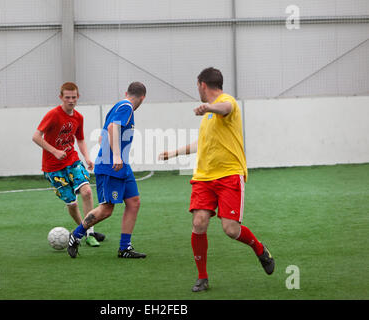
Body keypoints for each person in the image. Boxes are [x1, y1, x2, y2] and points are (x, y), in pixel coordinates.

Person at [159, 67, 274, 292]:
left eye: (198, 87)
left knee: (231, 229)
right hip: (203, 178)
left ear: (203, 85)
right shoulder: (208, 117)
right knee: (199, 223)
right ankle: (202, 277)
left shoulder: (225, 102)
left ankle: (260, 249)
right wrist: (173, 152)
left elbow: (226, 108)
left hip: (229, 175)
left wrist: (209, 106)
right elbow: (200, 144)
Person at [66, 82, 147, 259]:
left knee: (134, 202)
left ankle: (125, 248)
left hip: (121, 165)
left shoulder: (119, 106)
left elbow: (105, 133)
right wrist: (116, 155)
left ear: (127, 92)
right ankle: (76, 235)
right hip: (112, 165)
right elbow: (112, 128)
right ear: (143, 97)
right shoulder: (127, 107)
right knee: (106, 209)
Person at [32, 82, 105, 247]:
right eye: (67, 97)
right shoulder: (53, 115)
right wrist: (55, 151)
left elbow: (80, 139)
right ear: (61, 97)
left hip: (72, 161)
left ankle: (89, 233)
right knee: (72, 204)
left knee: (86, 192)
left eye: (74, 97)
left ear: (78, 97)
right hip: (53, 167)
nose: (71, 100)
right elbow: (36, 137)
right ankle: (84, 230)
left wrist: (87, 157)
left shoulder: (78, 117)